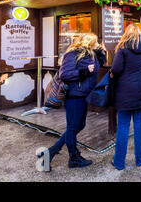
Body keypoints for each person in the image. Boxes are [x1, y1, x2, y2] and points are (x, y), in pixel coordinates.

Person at [38, 33, 106, 170]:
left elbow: (101, 62)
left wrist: (100, 51)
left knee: (78, 125)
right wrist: (84, 71)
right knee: (73, 127)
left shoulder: (91, 54)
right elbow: (65, 74)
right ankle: (73, 158)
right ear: (89, 43)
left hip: (83, 95)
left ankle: (50, 152)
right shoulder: (73, 53)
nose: (97, 44)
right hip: (74, 96)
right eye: (95, 43)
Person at [111, 24, 141, 170]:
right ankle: (140, 158)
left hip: (125, 92)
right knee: (140, 124)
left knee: (122, 126)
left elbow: (116, 69)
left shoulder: (122, 48)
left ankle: (119, 162)